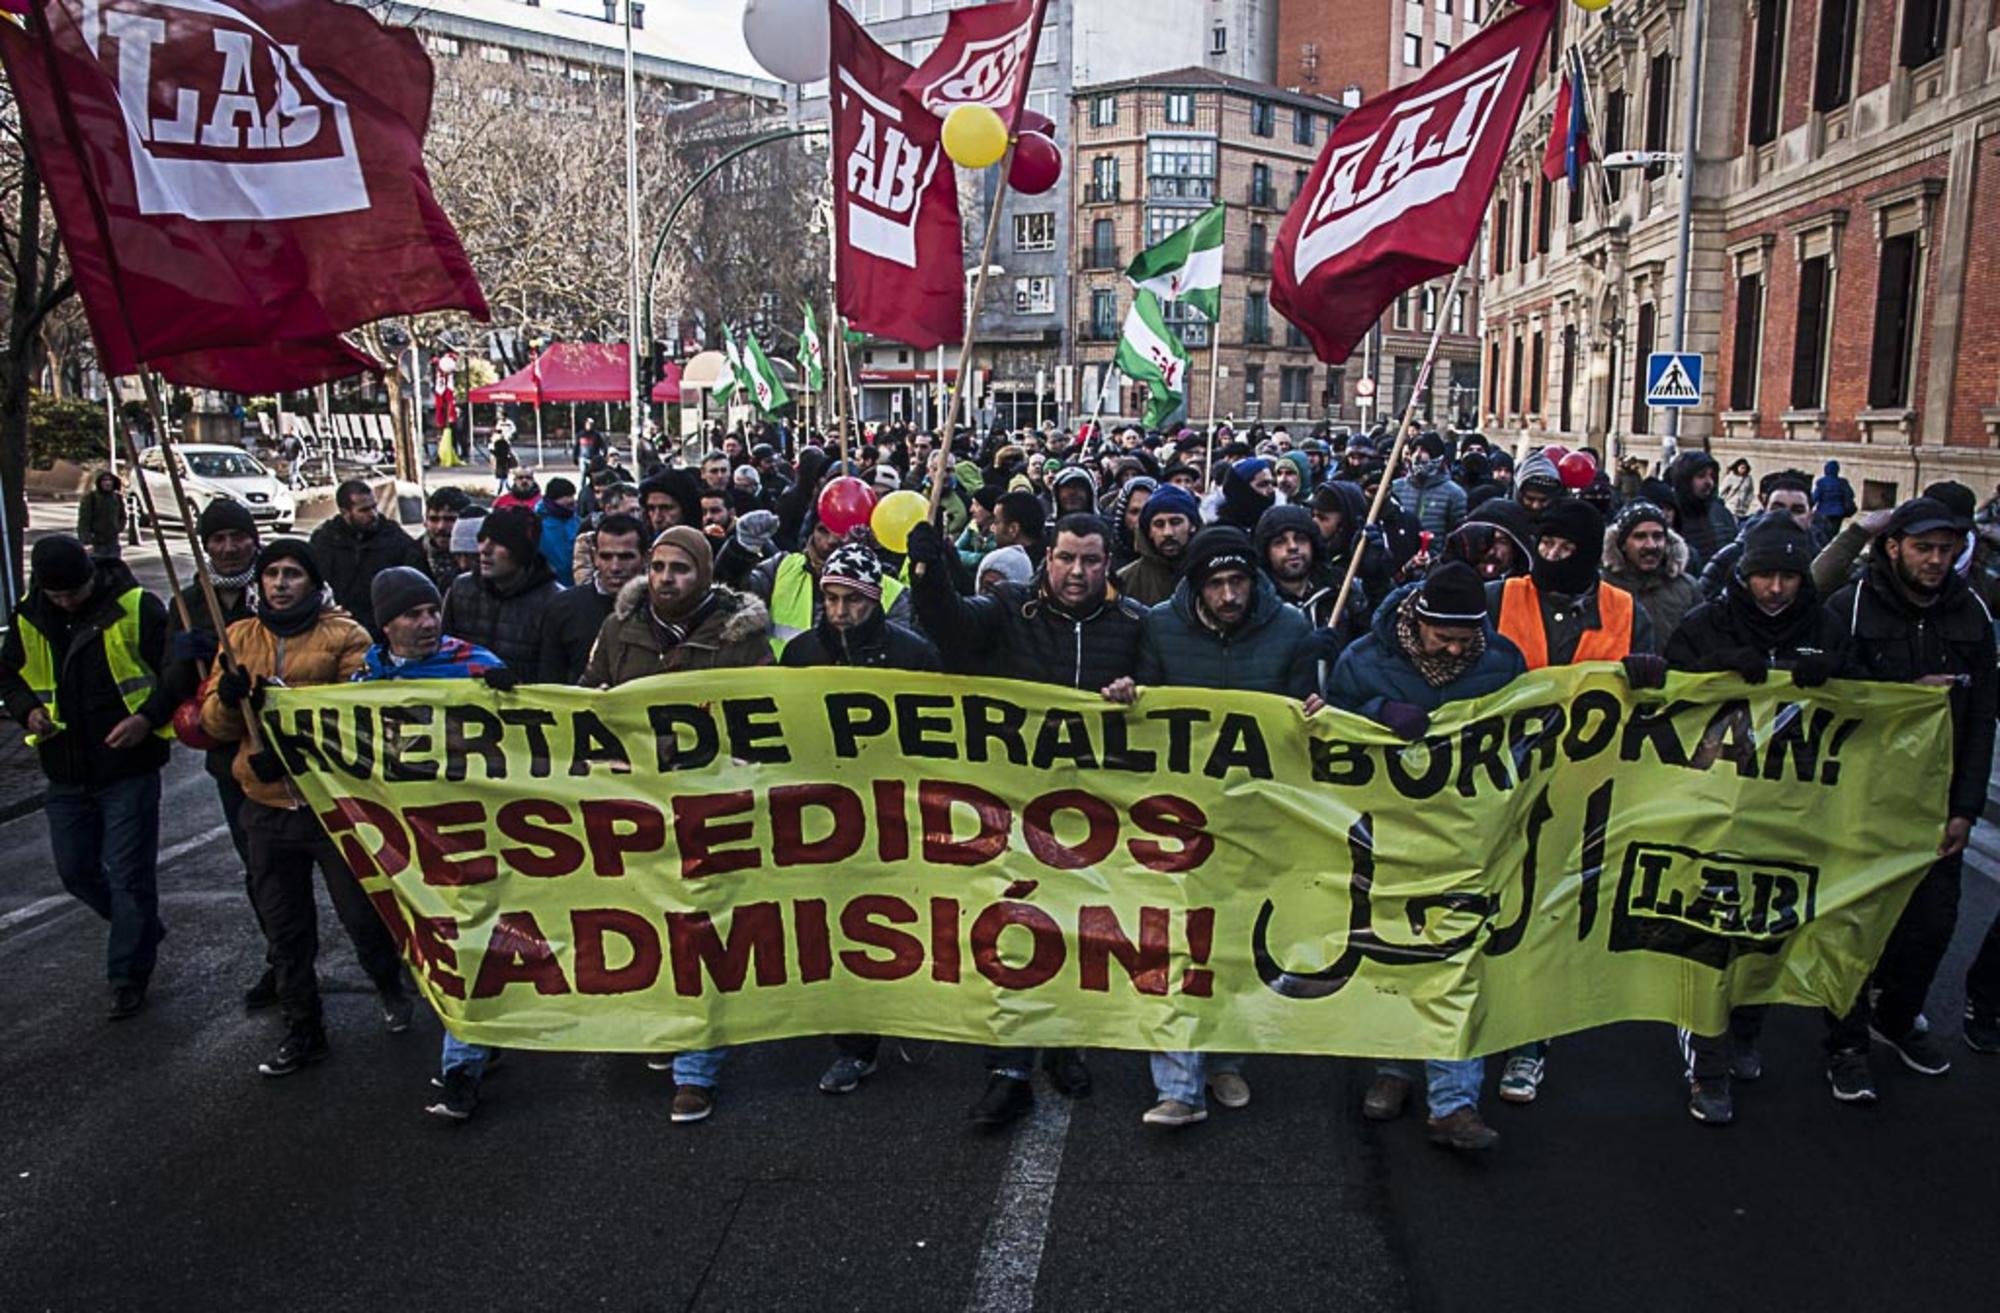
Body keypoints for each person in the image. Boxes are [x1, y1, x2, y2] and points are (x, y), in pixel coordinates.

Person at [907, 513, 1143, 1127]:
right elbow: (950, 626)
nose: (1077, 572)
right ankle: (1007, 1072)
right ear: (1047, 557)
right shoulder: (1012, 609)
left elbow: (1164, 699)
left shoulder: (1133, 625)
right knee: (1012, 938)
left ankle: (1065, 1046)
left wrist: (1134, 693)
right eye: (1066, 558)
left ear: (1108, 563)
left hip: (1092, 815)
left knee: (1080, 936)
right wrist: (929, 572)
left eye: (1091, 561)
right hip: (1012, 809)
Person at [1328, 562, 1526, 1152]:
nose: (1455, 649)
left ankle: (1454, 1102)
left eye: (1466, 639)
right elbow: (1328, 725)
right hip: (1386, 831)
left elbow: (1523, 728)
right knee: (1392, 954)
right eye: (1444, 637)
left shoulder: (1504, 662)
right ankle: (1392, 1071)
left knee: (1458, 958)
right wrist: (1376, 712)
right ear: (1419, 619)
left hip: (1468, 834)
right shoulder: (1364, 659)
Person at [199, 539, 411, 1076]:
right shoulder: (239, 638)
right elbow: (212, 726)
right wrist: (226, 700)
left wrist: (285, 737)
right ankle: (303, 1028)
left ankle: (389, 983)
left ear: (313, 584)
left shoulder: (347, 636)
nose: (280, 583)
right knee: (285, 930)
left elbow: (351, 721)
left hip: (332, 810)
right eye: (271, 574)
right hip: (266, 810)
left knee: (362, 917)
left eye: (292, 574)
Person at [1126, 526, 1315, 1127]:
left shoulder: (1290, 629)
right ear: (1196, 587)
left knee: (1234, 945)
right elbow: (1144, 707)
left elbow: (1309, 716)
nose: (1229, 595)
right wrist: (1128, 696)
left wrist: (1314, 710)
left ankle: (1227, 1059)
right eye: (1217, 584)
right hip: (1179, 815)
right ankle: (1178, 1086)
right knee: (1176, 943)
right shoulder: (1159, 626)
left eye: (1238, 582)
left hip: (1255, 818)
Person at [581, 528, 770, 1123]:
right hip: (637, 806)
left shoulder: (742, 637)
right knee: (649, 926)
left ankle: (698, 1065)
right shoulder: (619, 629)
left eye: (681, 569)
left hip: (707, 806)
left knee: (704, 931)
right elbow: (589, 700)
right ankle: (666, 1027)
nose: (666, 578)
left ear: (705, 574)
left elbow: (765, 716)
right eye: (658, 566)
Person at [1818, 497, 1997, 1104]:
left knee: (1930, 928)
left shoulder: (1970, 614)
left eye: (1946, 550)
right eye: (1924, 548)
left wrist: (1965, 809)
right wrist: (1902, 695)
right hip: (1861, 802)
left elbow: (1981, 723)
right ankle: (1844, 1045)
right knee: (1853, 926)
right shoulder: (1851, 606)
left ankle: (1893, 1018)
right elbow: (1824, 699)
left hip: (1934, 805)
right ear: (1894, 547)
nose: (1936, 561)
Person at [1661, 516, 1833, 1125]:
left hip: (1788, 815)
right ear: (1744, 575)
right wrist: (1713, 670)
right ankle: (1706, 1067)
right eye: (1765, 575)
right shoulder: (1707, 624)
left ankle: (1746, 1031)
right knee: (1710, 938)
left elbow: (1869, 700)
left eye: (1789, 575)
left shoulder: (1824, 625)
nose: (1777, 589)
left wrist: (1834, 678)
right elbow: (1664, 696)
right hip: (1710, 813)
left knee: (1768, 931)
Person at [1485, 498, 1656, 1104]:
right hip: (1498, 782)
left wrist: (1648, 676)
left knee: (1549, 916)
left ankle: (1530, 1041)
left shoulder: (1625, 611)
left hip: (1582, 789)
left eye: (1564, 547)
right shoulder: (1499, 597)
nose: (1552, 557)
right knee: (1491, 910)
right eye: (1545, 545)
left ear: (1586, 552)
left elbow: (1657, 702)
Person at [780, 544, 942, 1096]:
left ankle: (913, 1017)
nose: (841, 610)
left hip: (898, 813)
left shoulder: (913, 655)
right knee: (843, 929)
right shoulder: (801, 655)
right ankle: (855, 1048)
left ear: (874, 600)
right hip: (826, 817)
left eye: (853, 599)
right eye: (830, 597)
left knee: (905, 920)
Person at [347, 568, 504, 1119]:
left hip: (474, 834)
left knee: (461, 945)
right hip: (409, 843)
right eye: (412, 614)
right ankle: (479, 1042)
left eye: (432, 611)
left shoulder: (478, 669)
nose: (427, 623)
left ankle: (461, 1068)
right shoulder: (365, 683)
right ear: (385, 624)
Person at [0, 537, 174, 1018]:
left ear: (90, 577)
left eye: (74, 592)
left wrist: (147, 718)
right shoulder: (30, 615)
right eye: (58, 596)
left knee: (131, 876)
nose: (68, 602)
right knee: (76, 870)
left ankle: (127, 976)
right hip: (65, 768)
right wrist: (27, 711)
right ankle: (139, 928)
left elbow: (173, 672)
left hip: (128, 767)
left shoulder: (136, 607)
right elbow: (9, 675)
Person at [161, 500, 270, 1006]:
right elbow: (175, 687)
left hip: (289, 748)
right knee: (259, 864)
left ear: (253, 538)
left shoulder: (274, 585)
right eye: (218, 540)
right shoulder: (188, 604)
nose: (229, 549)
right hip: (231, 757)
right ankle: (282, 958)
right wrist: (186, 661)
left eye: (238, 537)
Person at [441, 507, 562, 680]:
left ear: (521, 551)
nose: (484, 549)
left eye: (498, 542)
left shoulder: (553, 601)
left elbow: (553, 675)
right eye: (482, 539)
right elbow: (444, 653)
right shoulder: (461, 588)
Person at [308, 479, 427, 637]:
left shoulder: (394, 538)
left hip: (383, 632)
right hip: (337, 629)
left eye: (374, 507)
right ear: (345, 513)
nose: (373, 514)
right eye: (364, 510)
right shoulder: (324, 541)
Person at [538, 512, 645, 685]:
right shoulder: (563, 607)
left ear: (644, 558)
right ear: (594, 557)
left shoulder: (661, 608)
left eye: (626, 557)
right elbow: (550, 678)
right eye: (606, 556)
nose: (615, 567)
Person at [1698, 474, 1817, 600]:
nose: (1785, 516)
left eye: (1797, 510)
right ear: (1764, 510)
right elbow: (1702, 600)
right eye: (1777, 509)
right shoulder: (1731, 557)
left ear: (1810, 517)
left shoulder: (1820, 560)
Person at [1600, 501, 1700, 645]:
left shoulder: (1687, 587)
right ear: (1622, 544)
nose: (1651, 545)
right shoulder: (1603, 588)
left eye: (1658, 536)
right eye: (1640, 537)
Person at [1118, 483, 1198, 606]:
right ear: (1149, 531)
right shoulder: (1126, 580)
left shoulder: (1209, 570)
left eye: (1176, 522)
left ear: (1192, 526)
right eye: (1159, 524)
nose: (1168, 533)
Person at [1664, 451, 1737, 566]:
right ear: (1685, 480)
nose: (1709, 482)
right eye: (1701, 476)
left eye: (1712, 476)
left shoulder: (1721, 514)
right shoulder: (1670, 516)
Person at [1390, 433, 1466, 536]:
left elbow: (1458, 535)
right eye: (1415, 450)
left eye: (1424, 450)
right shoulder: (1396, 488)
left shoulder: (1454, 494)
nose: (1417, 455)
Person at [419, 487, 471, 590]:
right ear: (425, 522)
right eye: (434, 519)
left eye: (450, 519)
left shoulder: (480, 560)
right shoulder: (410, 555)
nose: (441, 527)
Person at [535, 476, 580, 586]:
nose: (571, 500)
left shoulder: (577, 521)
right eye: (567, 496)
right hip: (548, 585)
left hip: (575, 584)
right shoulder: (537, 523)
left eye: (572, 496)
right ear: (553, 499)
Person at [77, 470, 127, 559]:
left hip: (112, 540)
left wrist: (118, 528)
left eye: (110, 480)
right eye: (104, 480)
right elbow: (84, 520)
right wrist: (86, 540)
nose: (107, 483)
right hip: (96, 540)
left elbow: (122, 516)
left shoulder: (117, 498)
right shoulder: (91, 498)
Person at [1811, 459, 1856, 535]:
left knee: (1823, 533)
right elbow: (1851, 494)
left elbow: (1816, 497)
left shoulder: (1821, 482)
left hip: (1823, 512)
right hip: (1838, 513)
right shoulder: (1842, 482)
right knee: (1834, 533)